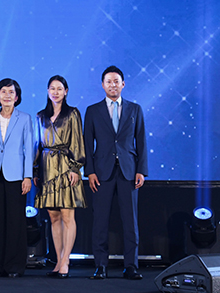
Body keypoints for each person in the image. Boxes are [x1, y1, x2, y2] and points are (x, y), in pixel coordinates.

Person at [84, 66, 148, 280]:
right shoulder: (92, 111)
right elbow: (87, 144)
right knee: (100, 222)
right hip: (101, 173)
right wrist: (90, 172)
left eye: (116, 81)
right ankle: (100, 265)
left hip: (129, 172)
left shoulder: (135, 109)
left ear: (123, 84)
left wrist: (141, 170)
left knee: (131, 222)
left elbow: (141, 141)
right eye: (109, 81)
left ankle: (131, 266)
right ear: (103, 85)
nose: (113, 85)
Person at [34, 75, 87, 279]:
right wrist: (35, 171)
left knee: (67, 215)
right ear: (47, 92)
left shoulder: (73, 113)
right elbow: (37, 145)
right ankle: (58, 261)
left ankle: (66, 261)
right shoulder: (41, 116)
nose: (55, 92)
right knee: (53, 217)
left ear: (66, 91)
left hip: (66, 167)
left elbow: (77, 141)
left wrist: (75, 168)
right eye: (52, 88)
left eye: (59, 88)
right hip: (47, 168)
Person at [0, 78, 33, 278]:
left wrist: (27, 176)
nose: (7, 95)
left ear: (17, 97)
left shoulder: (25, 118)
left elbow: (29, 149)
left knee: (15, 221)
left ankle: (15, 266)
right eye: (3, 91)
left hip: (16, 176)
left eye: (11, 92)